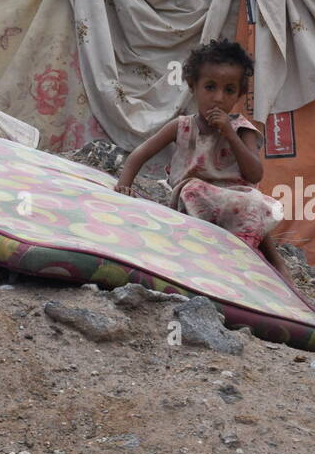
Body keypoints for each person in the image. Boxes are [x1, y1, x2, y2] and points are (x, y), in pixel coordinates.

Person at [115, 38, 296, 285]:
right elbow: (139, 155)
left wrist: (230, 133)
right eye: (210, 87)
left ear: (240, 94)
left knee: (255, 201)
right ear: (193, 86)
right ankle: (200, 254)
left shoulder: (243, 130)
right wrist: (123, 186)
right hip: (193, 199)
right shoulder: (181, 126)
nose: (219, 98)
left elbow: (255, 175)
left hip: (233, 197)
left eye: (229, 90)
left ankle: (271, 262)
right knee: (193, 190)